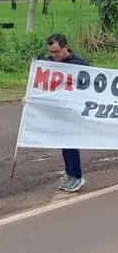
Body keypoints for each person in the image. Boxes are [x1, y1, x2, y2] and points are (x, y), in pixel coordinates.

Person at [44, 34, 88, 193]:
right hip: (58, 111)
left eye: (56, 51)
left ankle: (76, 176)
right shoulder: (47, 64)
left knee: (69, 142)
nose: (54, 55)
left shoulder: (80, 65)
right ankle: (71, 174)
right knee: (64, 142)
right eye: (51, 52)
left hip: (74, 111)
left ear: (65, 47)